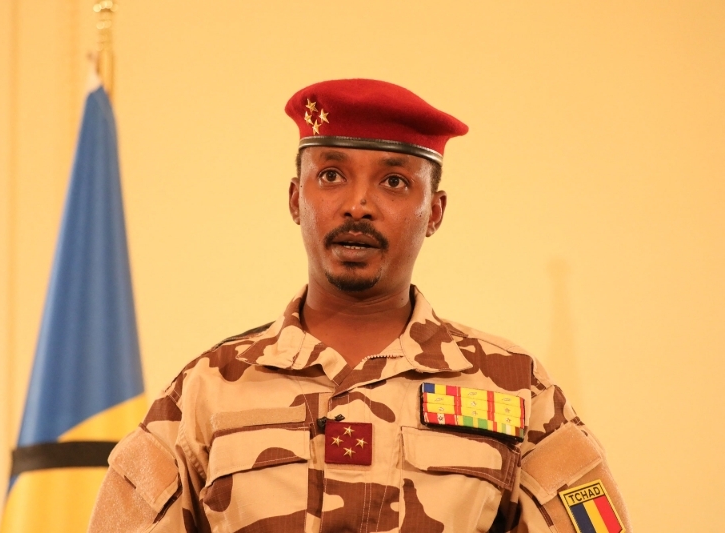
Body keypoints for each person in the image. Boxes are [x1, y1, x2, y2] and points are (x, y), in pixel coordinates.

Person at [88, 79, 631, 533]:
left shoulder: (515, 389)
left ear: (434, 211)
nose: (358, 204)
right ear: (296, 199)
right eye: (331, 175)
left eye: (395, 181)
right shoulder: (208, 390)